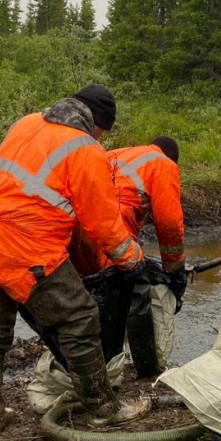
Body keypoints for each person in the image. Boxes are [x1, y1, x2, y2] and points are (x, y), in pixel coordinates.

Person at [0, 84, 150, 434]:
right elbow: (104, 226)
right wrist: (133, 260)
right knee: (79, 317)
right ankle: (103, 409)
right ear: (97, 123)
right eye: (102, 132)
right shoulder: (86, 149)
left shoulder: (28, 122)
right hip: (23, 244)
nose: (101, 138)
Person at [69, 136, 187, 376]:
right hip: (111, 231)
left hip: (74, 230)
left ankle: (83, 364)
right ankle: (145, 369)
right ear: (171, 157)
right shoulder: (163, 164)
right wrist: (175, 272)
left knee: (90, 297)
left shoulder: (117, 153)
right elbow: (169, 224)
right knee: (136, 293)